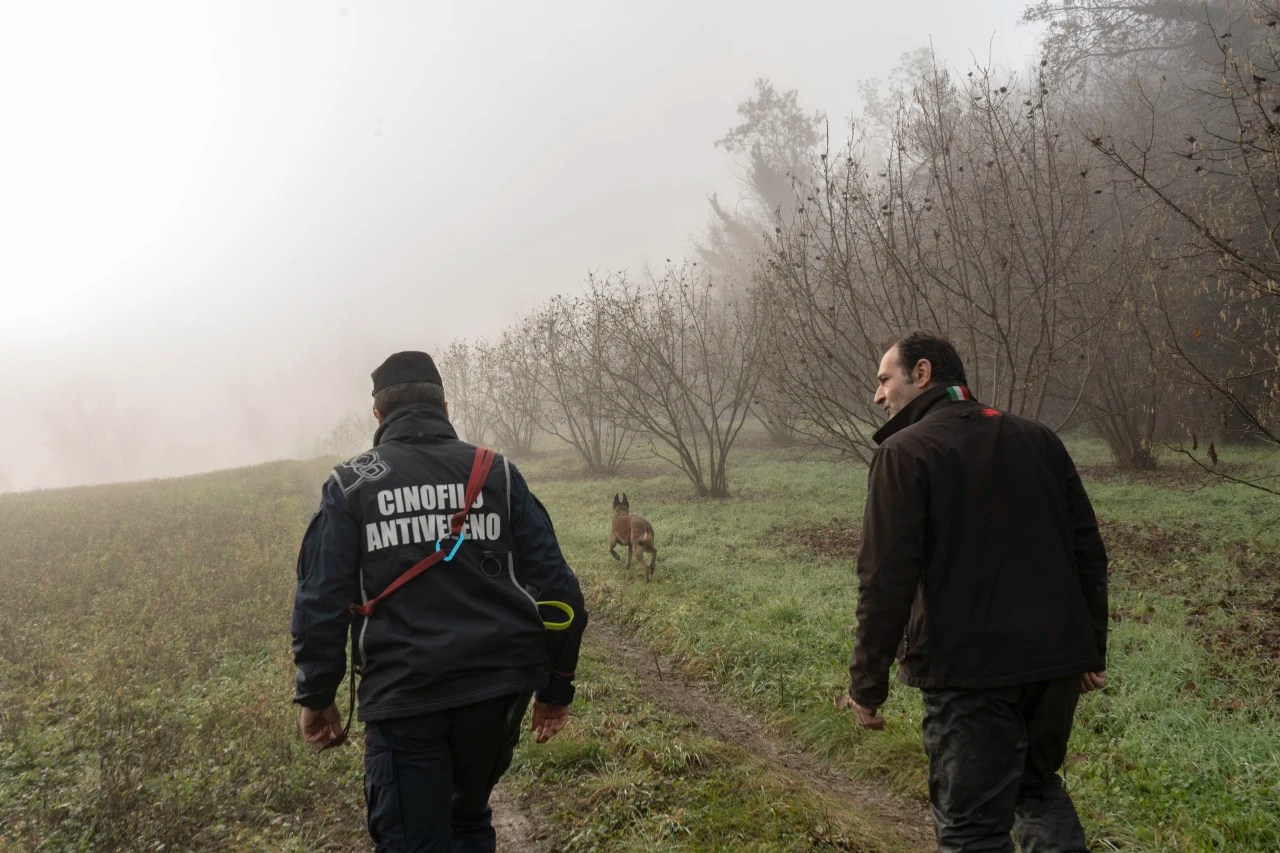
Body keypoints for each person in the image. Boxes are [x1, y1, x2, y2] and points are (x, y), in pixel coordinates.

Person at [291, 350, 588, 852]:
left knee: (412, 838)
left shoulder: (350, 486)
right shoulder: (499, 474)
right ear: (445, 409)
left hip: (405, 701)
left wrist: (317, 695)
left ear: (379, 416)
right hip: (494, 697)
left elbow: (320, 601)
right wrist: (556, 689)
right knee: (468, 819)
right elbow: (561, 593)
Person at [838, 332, 1108, 851]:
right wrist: (1090, 649)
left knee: (971, 828)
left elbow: (884, 581)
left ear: (921, 373)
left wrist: (866, 686)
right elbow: (1088, 552)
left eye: (884, 380)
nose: (878, 396)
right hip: (1055, 665)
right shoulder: (1039, 438)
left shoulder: (903, 452)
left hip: (968, 674)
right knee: (1038, 790)